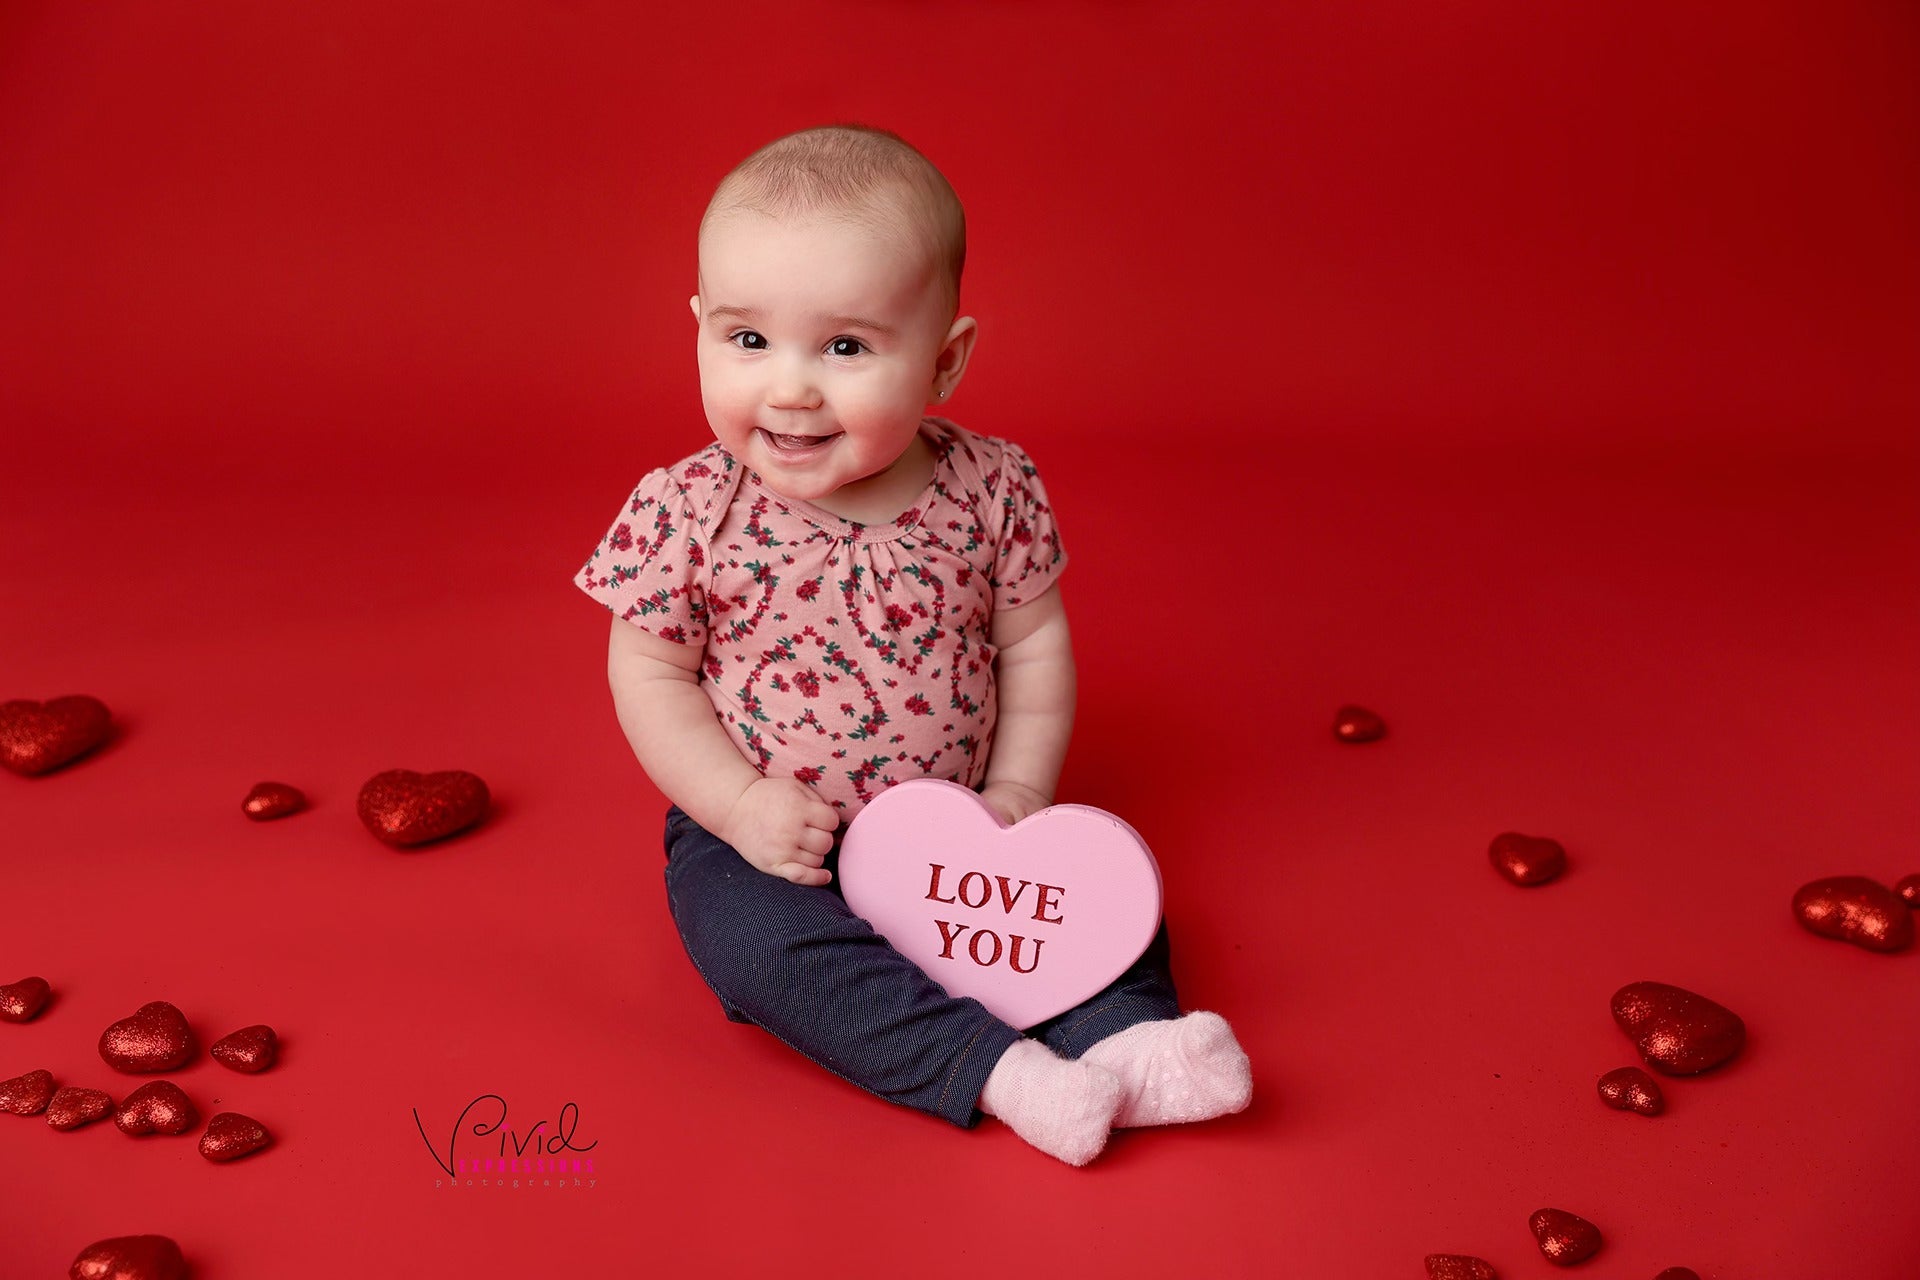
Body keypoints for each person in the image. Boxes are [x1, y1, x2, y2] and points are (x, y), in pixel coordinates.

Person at [576, 124, 1250, 1165]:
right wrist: (737, 805)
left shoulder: (990, 486)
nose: (791, 386)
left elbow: (1032, 647)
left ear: (944, 360)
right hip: (770, 839)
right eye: (748, 339)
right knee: (751, 944)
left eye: (845, 347)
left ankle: (1132, 1038)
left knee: (1103, 875)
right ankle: (995, 1068)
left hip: (964, 828)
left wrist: (1021, 792)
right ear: (700, 328)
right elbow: (649, 672)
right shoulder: (688, 509)